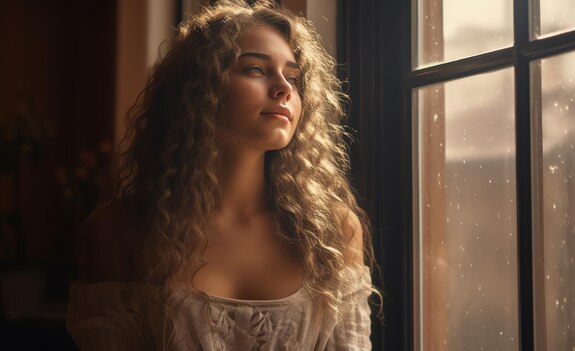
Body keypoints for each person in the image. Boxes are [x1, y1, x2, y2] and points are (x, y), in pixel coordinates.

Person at [66, 0, 380, 349]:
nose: (284, 89)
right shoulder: (119, 230)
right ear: (200, 89)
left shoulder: (332, 233)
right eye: (256, 70)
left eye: (293, 77)